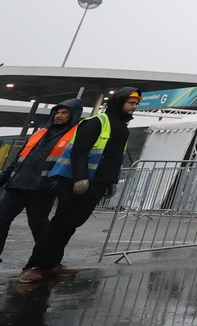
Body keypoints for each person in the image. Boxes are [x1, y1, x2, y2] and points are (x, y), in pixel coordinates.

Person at [16, 87, 141, 283]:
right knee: (60, 223)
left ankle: (52, 264)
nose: (134, 107)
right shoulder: (96, 122)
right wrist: (80, 177)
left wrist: (111, 181)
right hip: (75, 181)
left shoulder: (121, 127)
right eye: (131, 103)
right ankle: (34, 266)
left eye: (136, 104)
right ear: (119, 102)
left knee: (71, 224)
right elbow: (79, 152)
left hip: (97, 182)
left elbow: (115, 158)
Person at [0, 99, 83, 282]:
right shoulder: (39, 134)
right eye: (57, 112)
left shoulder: (75, 135)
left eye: (64, 113)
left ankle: (51, 264)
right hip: (17, 186)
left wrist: (61, 183)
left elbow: (74, 162)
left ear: (73, 115)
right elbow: (18, 161)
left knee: (40, 228)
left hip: (42, 189)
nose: (59, 115)